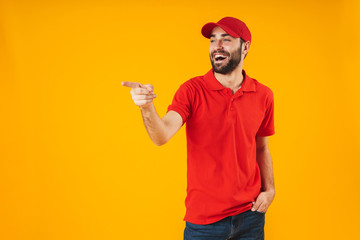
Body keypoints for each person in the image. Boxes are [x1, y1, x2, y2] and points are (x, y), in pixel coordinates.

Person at [122, 16, 275, 240]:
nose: (217, 46)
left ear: (245, 47)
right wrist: (146, 106)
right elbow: (161, 135)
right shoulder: (192, 90)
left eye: (226, 39)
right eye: (213, 40)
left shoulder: (263, 95)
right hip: (204, 223)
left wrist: (269, 190)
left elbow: (261, 149)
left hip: (250, 216)